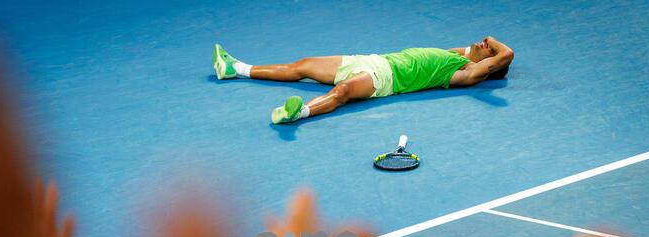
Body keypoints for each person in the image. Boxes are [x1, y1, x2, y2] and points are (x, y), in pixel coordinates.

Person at [212, 37, 514, 123]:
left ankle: (299, 113)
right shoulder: (456, 55)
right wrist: (481, 49)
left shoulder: (463, 73)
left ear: (488, 65)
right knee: (302, 66)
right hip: (372, 60)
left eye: (488, 48)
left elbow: (506, 54)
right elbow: (479, 51)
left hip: (385, 78)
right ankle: (235, 68)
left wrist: (493, 47)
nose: (484, 42)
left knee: (342, 91)